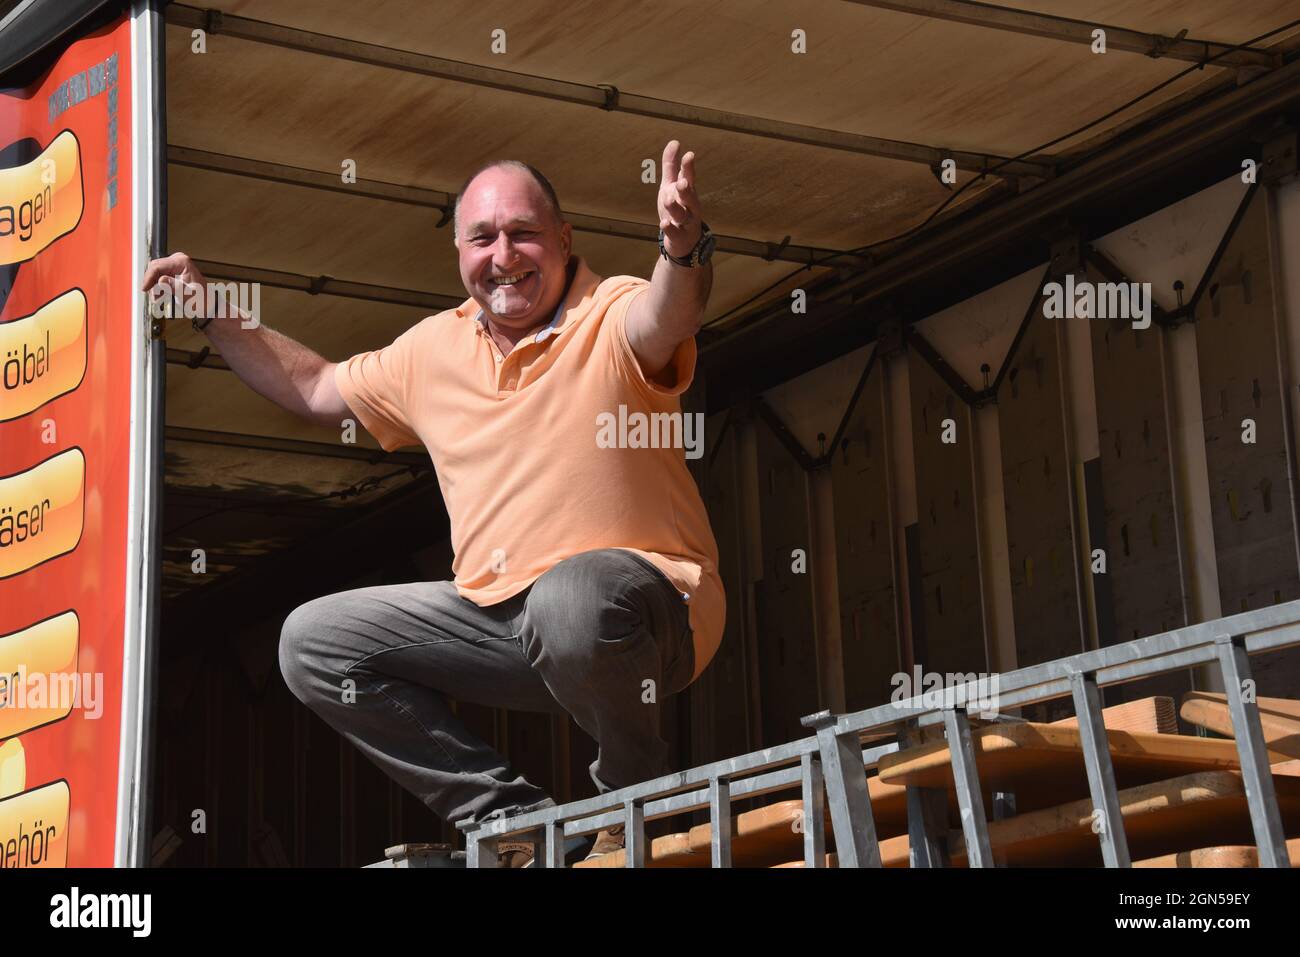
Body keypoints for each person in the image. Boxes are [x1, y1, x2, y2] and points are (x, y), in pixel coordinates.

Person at [142, 140, 725, 867]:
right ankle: (514, 822)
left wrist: (683, 249)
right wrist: (210, 310)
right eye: (483, 237)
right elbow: (317, 388)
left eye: (524, 233)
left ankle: (632, 803)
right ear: (458, 250)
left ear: (565, 239)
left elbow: (668, 319)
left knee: (570, 599)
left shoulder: (608, 313)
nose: (503, 254)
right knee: (312, 642)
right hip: (503, 622)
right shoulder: (431, 351)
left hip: (645, 614)